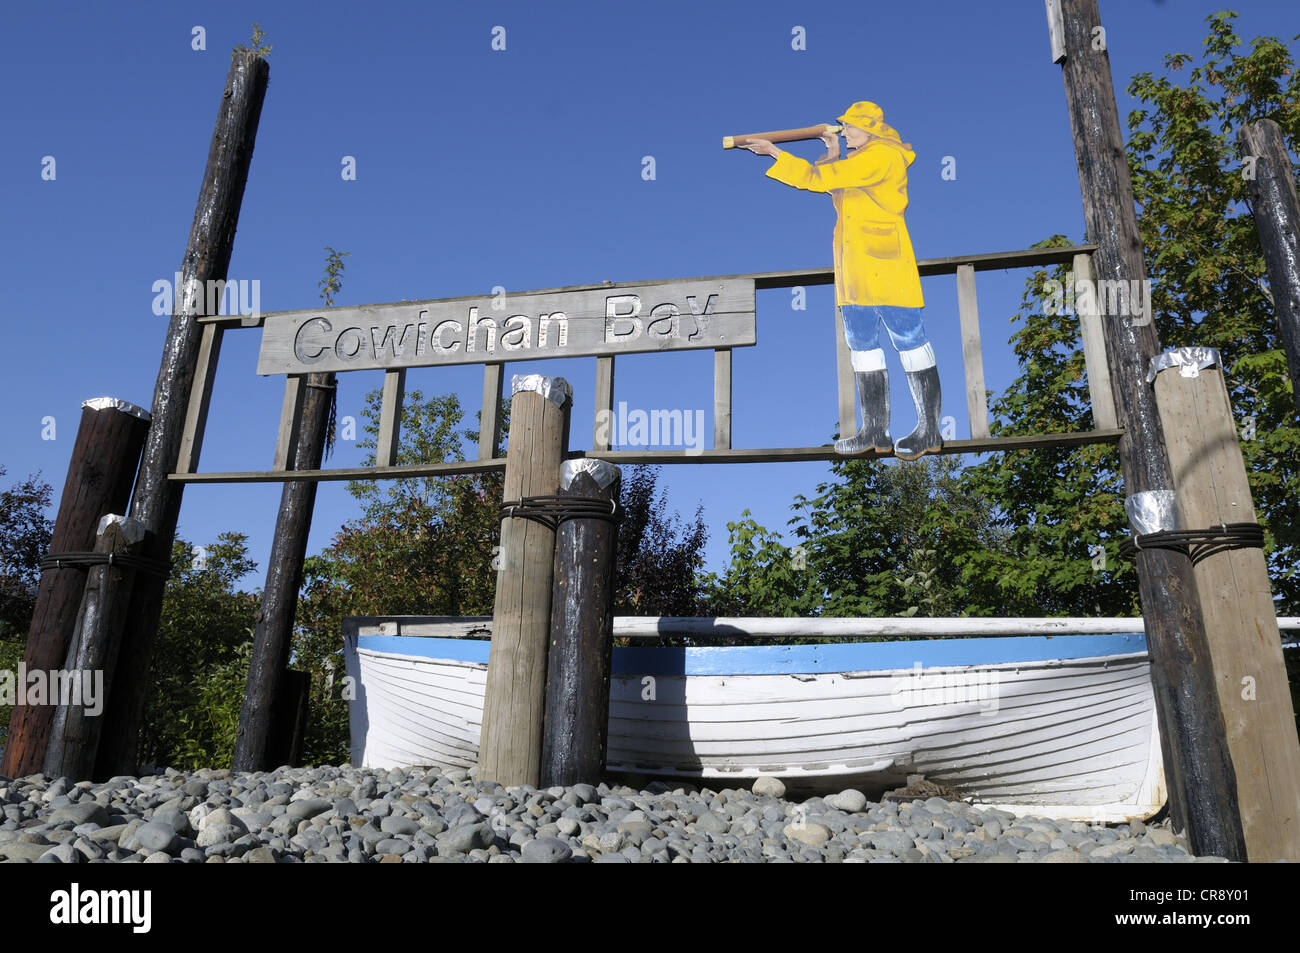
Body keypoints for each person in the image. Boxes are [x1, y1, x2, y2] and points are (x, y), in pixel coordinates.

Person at [739, 101, 942, 459]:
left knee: (910, 340)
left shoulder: (883, 156)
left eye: (848, 127)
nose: (844, 131)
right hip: (854, 270)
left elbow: (820, 181)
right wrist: (831, 151)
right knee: (862, 347)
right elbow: (838, 190)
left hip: (887, 267)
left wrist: (774, 153)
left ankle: (929, 429)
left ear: (869, 129)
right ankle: (875, 430)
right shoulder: (861, 160)